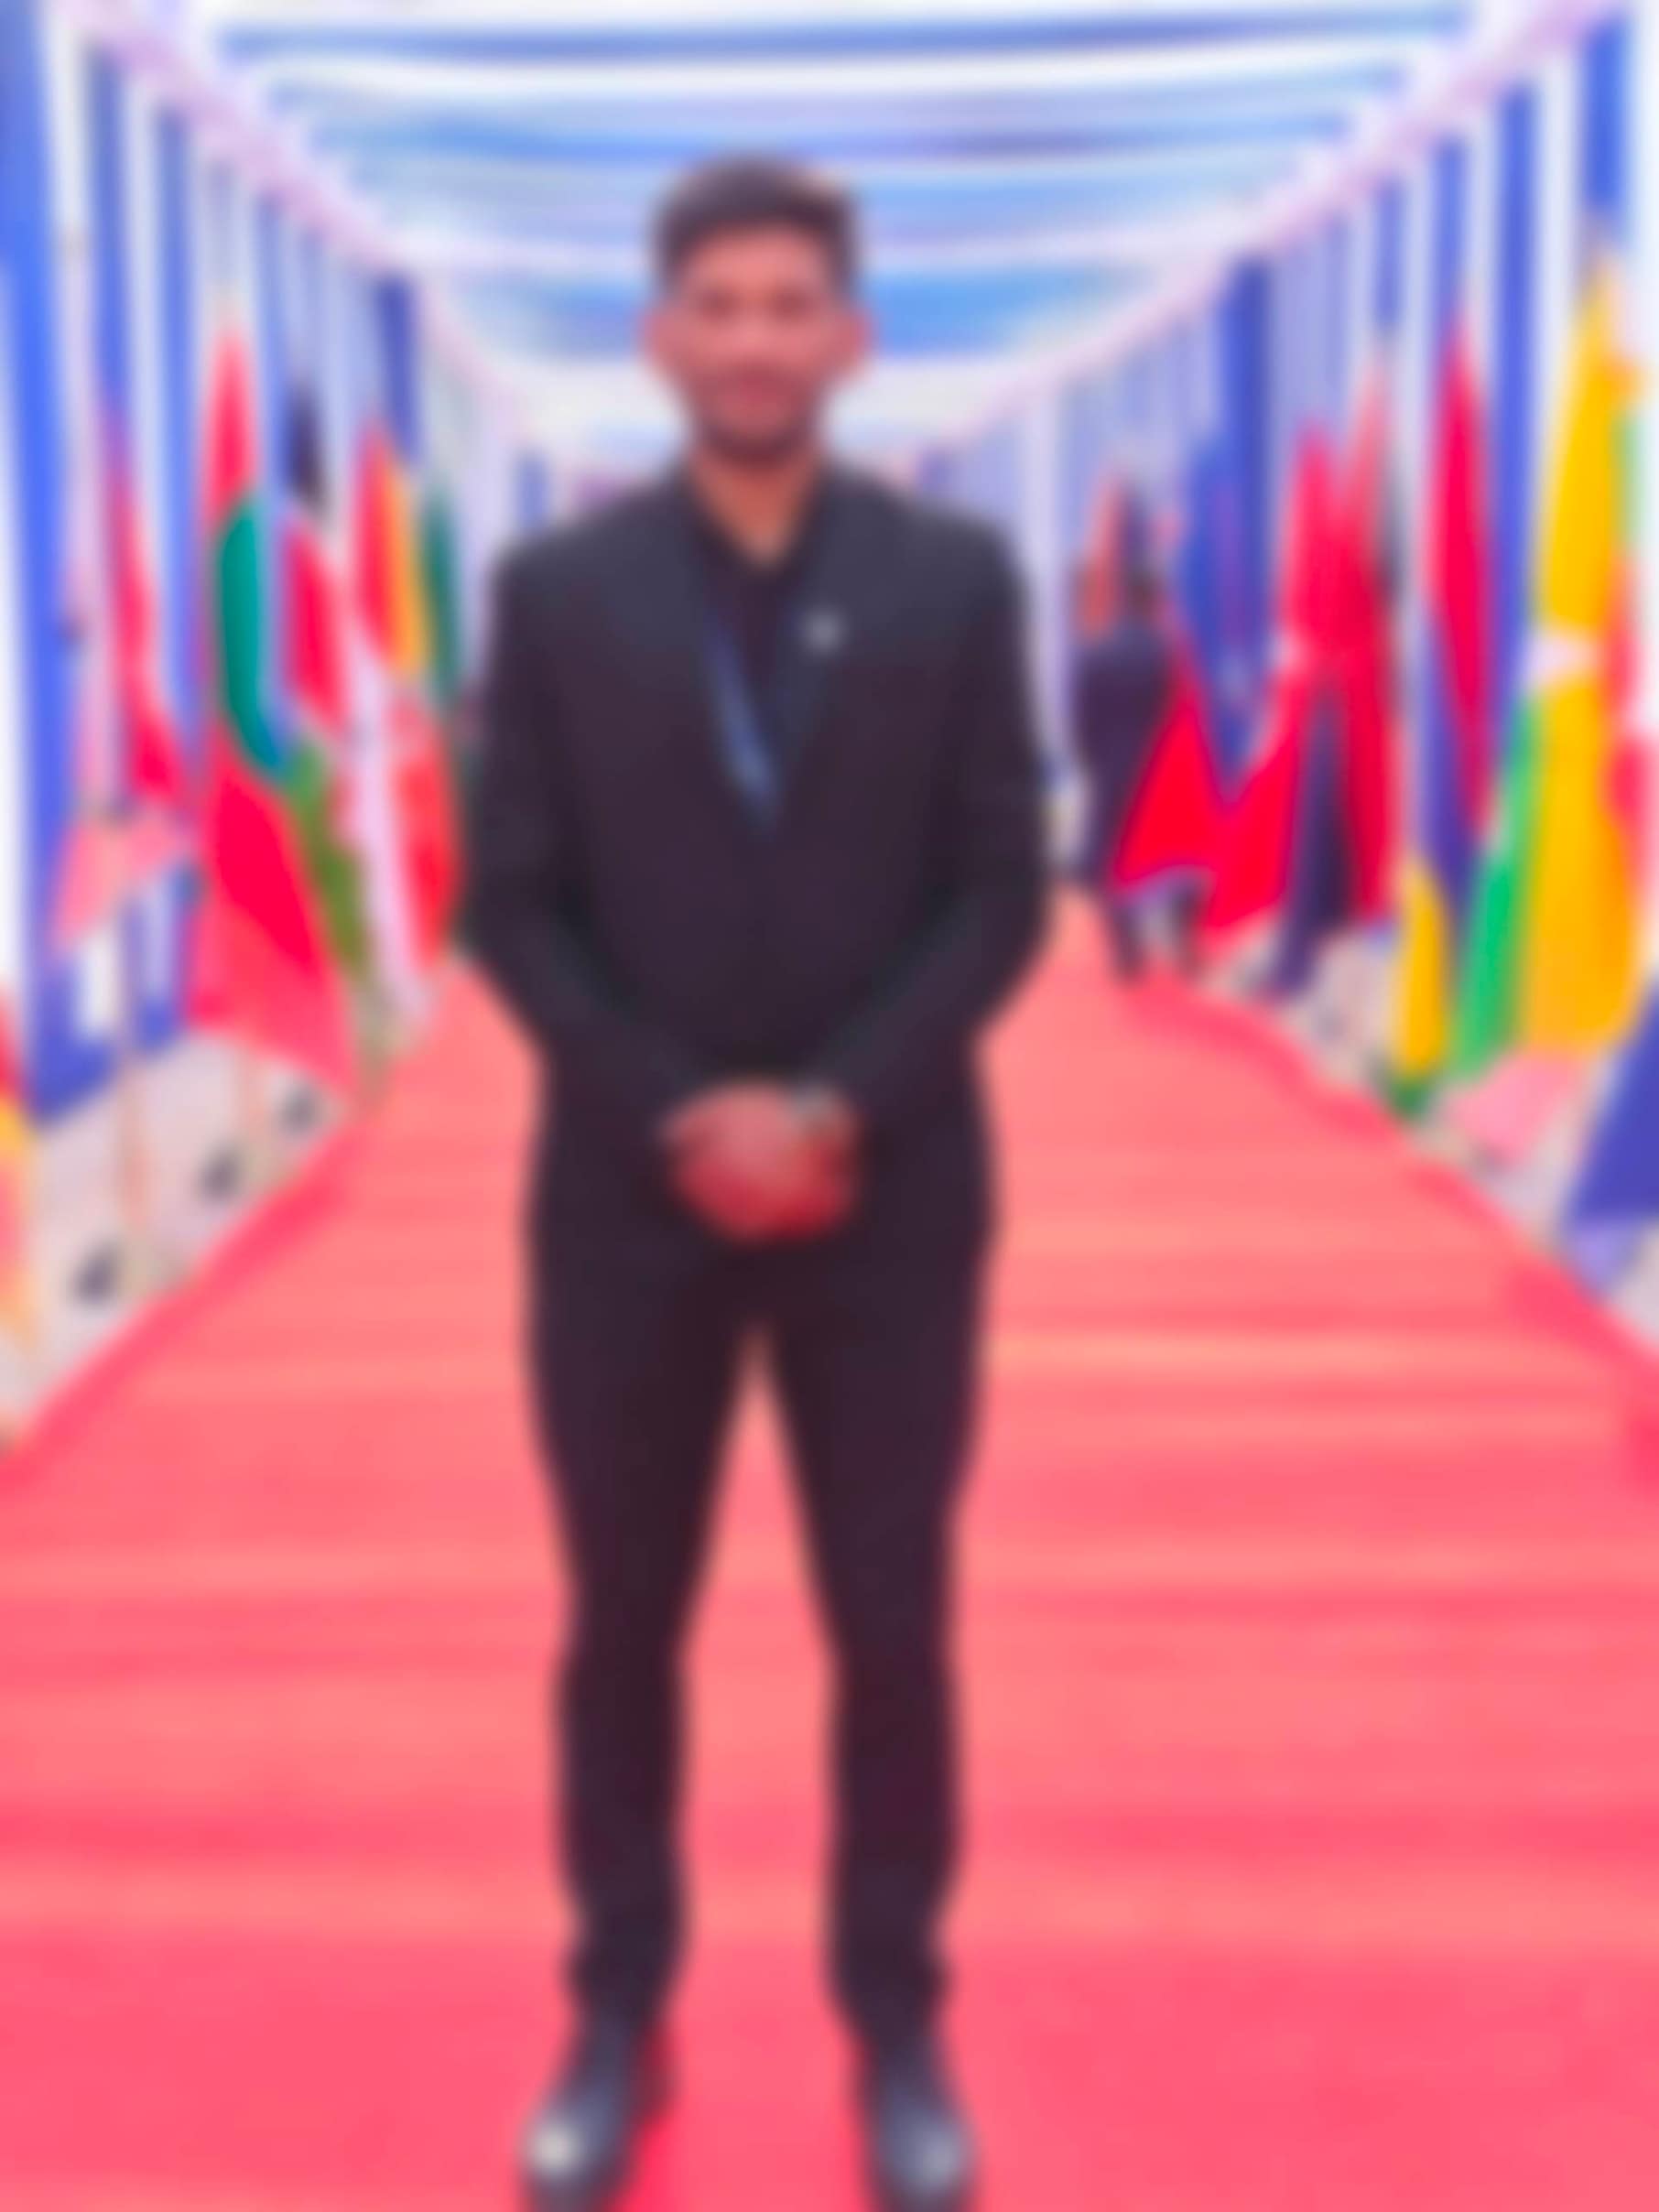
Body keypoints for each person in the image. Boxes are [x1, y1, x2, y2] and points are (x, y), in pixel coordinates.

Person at [461, 157, 1049, 2212]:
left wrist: (831, 1108)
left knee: (891, 1620)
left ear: (852, 337)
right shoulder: (559, 593)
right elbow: (510, 901)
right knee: (623, 1616)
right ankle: (615, 2010)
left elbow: (1002, 888)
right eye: (715, 303)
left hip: (893, 1196)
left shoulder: (954, 579)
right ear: (658, 337)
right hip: (628, 1205)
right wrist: (681, 1114)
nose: (753, 338)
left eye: (791, 302)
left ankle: (898, 2021)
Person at [1068, 491, 1186, 981]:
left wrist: (1092, 763)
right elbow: (1174, 716)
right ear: (1156, 601)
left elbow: (1080, 719)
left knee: (1111, 862)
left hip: (1110, 771)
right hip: (1158, 773)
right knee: (1168, 857)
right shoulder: (1169, 655)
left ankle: (1125, 947)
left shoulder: (1096, 651)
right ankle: (1183, 941)